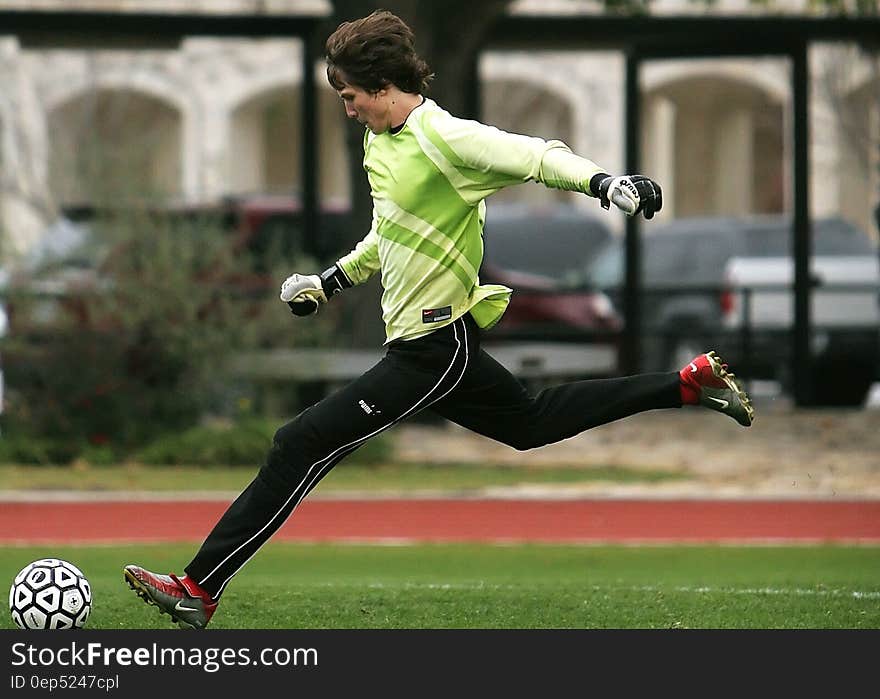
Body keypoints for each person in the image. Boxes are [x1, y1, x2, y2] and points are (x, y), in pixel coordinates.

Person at [123, 9, 753, 629]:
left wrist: (606, 182)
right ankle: (686, 384)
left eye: (348, 96)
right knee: (529, 424)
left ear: (381, 87)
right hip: (426, 348)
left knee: (299, 442)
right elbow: (387, 233)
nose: (346, 109)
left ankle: (197, 588)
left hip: (431, 347)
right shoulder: (379, 141)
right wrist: (328, 282)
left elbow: (535, 154)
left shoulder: (445, 138)